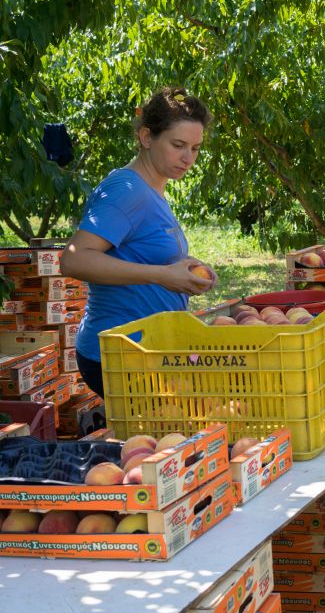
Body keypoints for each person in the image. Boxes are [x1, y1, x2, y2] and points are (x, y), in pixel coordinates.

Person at [62, 87, 217, 404]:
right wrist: (162, 276)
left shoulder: (152, 188)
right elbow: (75, 260)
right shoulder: (127, 189)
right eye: (178, 145)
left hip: (146, 351)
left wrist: (184, 266)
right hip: (120, 355)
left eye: (196, 148)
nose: (188, 158)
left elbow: (142, 250)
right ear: (147, 138)